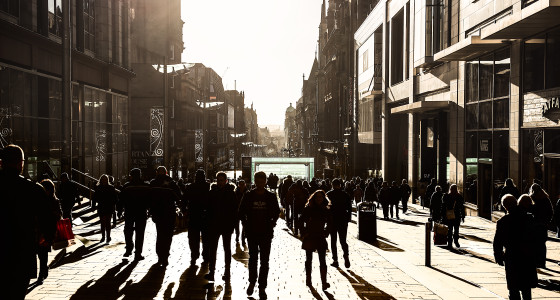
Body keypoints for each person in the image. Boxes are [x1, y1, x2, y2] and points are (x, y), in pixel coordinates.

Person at [0, 145, 50, 299]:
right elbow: (46, 220)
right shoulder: (33, 189)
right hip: (22, 255)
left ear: (1, 163)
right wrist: (45, 237)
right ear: (20, 164)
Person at [238, 171, 280, 299]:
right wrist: (246, 224)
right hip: (252, 232)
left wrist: (272, 223)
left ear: (265, 182)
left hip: (266, 232)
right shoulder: (248, 195)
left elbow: (276, 212)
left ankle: (262, 286)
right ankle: (252, 282)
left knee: (264, 261)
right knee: (253, 259)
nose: (260, 184)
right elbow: (241, 212)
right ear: (255, 181)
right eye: (258, 181)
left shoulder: (271, 197)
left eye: (262, 182)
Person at [493, 194, 537, 300]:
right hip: (527, 256)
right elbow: (535, 238)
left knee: (513, 287)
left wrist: (498, 256)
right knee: (526, 288)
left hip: (512, 256)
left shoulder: (503, 221)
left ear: (505, 207)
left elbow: (497, 242)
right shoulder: (528, 218)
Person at [205, 172, 237, 281]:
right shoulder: (212, 193)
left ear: (226, 181)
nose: (220, 182)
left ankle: (227, 272)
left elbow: (234, 211)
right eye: (218, 180)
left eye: (222, 180)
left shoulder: (231, 193)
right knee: (213, 249)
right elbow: (208, 209)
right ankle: (212, 271)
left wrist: (232, 224)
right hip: (214, 225)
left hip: (226, 225)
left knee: (226, 249)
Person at [150, 166, 182, 267]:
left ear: (157, 172)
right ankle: (165, 255)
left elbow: (150, 198)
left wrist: (151, 211)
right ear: (166, 172)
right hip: (169, 212)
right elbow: (179, 196)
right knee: (168, 235)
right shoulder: (171, 183)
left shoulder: (153, 183)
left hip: (158, 212)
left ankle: (160, 256)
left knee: (160, 234)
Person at [301, 190, 332, 290]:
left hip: (320, 236)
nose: (319, 199)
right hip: (310, 235)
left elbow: (330, 222)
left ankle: (324, 282)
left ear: (323, 198)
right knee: (308, 259)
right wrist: (304, 233)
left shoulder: (325, 209)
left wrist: (326, 232)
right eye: (317, 197)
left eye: (320, 197)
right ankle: (308, 279)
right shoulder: (309, 208)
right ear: (313, 198)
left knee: (322, 260)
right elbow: (300, 221)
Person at [117, 168, 150, 260]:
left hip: (129, 212)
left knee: (128, 231)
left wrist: (119, 211)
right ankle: (138, 253)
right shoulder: (146, 186)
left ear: (131, 175)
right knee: (140, 233)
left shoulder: (127, 186)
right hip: (141, 212)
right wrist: (149, 209)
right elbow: (150, 199)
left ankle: (129, 248)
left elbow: (121, 200)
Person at [183, 169, 211, 265]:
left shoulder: (190, 187)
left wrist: (184, 211)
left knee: (193, 238)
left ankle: (194, 255)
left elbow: (184, 200)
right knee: (206, 238)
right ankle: (206, 256)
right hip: (206, 215)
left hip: (193, 215)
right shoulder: (208, 187)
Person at [37, 179, 62, 283]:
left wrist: (52, 213)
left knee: (43, 253)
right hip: (38, 229)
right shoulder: (37, 200)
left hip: (48, 230)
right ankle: (44, 269)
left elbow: (59, 215)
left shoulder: (54, 201)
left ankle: (41, 275)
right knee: (39, 253)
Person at [326, 179, 352, 268]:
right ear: (340, 185)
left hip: (333, 220)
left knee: (333, 241)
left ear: (332, 185)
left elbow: (327, 207)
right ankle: (346, 255)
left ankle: (335, 260)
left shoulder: (329, 194)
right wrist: (348, 218)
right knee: (343, 241)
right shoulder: (345, 195)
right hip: (342, 220)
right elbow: (349, 208)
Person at [529, 183, 554, 268]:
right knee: (542, 244)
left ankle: (536, 261)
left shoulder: (532, 198)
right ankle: (542, 262)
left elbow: (530, 210)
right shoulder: (546, 199)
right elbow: (551, 212)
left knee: (535, 243)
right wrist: (547, 222)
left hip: (535, 224)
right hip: (543, 224)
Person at [92, 174, 118, 243]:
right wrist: (93, 205)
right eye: (103, 179)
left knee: (107, 222)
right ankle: (104, 236)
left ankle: (107, 236)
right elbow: (94, 198)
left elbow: (115, 198)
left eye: (105, 179)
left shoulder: (109, 188)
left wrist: (113, 204)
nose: (104, 181)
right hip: (102, 206)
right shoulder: (100, 188)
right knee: (103, 222)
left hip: (108, 206)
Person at [235, 179, 249, 246]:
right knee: (240, 226)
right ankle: (239, 237)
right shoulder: (247, 192)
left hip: (240, 211)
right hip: (240, 211)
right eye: (241, 184)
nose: (242, 186)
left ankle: (241, 238)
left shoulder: (236, 192)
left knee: (242, 226)